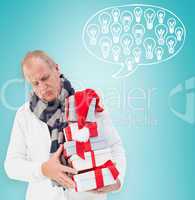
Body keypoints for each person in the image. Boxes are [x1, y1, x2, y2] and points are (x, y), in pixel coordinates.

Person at [4, 50, 126, 200]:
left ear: (56, 68)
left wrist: (117, 181)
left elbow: (115, 145)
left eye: (45, 78)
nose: (42, 87)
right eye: (35, 83)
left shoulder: (87, 102)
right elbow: (11, 165)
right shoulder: (24, 115)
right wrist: (43, 170)